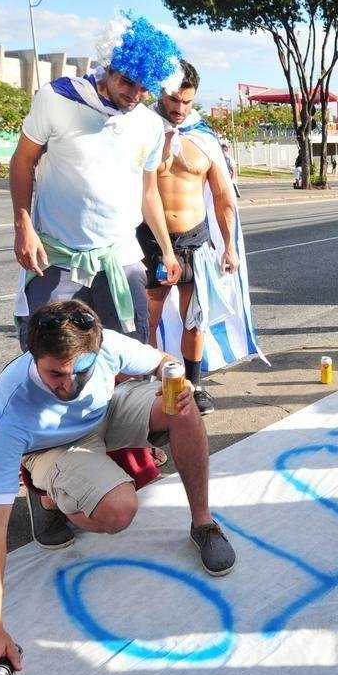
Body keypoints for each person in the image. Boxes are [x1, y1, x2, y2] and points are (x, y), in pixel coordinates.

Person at [0, 300, 235, 675]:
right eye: (55, 374)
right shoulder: (9, 410)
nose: (69, 385)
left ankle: (203, 523)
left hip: (103, 416)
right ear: (32, 357)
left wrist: (173, 381)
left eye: (81, 370)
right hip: (52, 447)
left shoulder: (106, 344)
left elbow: (162, 360)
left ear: (97, 348)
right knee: (119, 511)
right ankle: (48, 500)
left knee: (183, 408)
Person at [10, 11, 181, 352]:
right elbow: (22, 161)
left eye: (145, 87)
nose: (135, 94)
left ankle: (114, 408)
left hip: (120, 259)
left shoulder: (148, 125)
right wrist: (23, 226)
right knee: (48, 358)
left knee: (127, 357)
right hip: (57, 256)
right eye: (127, 81)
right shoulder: (57, 99)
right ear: (109, 67)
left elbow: (148, 193)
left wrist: (166, 249)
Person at [138, 60, 242, 415]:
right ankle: (148, 385)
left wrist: (229, 246)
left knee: (195, 317)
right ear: (159, 92)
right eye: (173, 100)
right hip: (149, 241)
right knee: (145, 318)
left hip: (195, 240)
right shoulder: (141, 129)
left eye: (186, 101)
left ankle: (194, 384)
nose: (180, 109)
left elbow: (223, 197)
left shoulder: (204, 137)